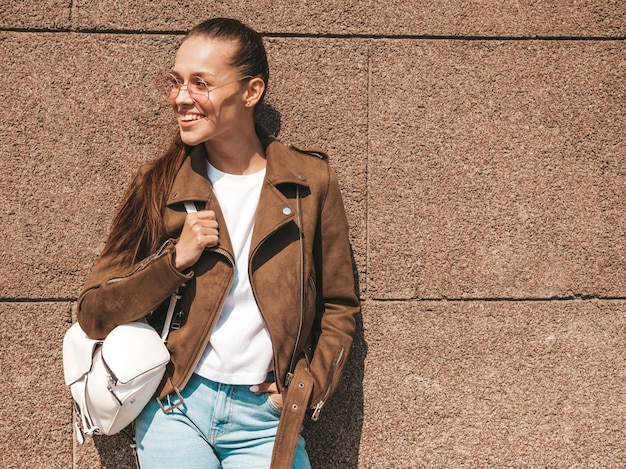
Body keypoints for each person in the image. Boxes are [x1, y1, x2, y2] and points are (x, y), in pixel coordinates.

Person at [76, 17, 360, 469]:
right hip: (177, 408)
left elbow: (340, 305)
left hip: (267, 419)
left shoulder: (309, 183)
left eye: (201, 83)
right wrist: (174, 262)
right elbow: (93, 312)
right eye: (176, 81)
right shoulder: (159, 184)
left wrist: (309, 387)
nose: (181, 98)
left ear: (251, 92)